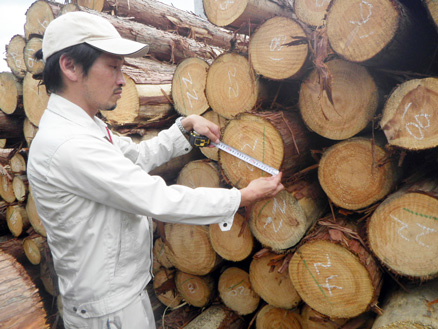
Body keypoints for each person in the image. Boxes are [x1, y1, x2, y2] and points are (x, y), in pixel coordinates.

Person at [27, 11, 284, 329]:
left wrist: (183, 130)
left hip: (120, 300)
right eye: (112, 67)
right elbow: (157, 199)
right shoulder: (69, 144)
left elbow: (135, 157)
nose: (122, 80)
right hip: (107, 314)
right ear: (70, 66)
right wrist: (239, 198)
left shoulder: (85, 127)